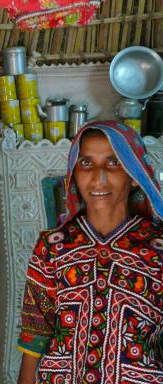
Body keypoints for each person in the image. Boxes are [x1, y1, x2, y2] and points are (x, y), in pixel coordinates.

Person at [17, 121, 163, 383]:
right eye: (86, 163)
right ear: (73, 173)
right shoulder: (52, 246)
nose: (98, 177)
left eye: (113, 163)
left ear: (134, 174)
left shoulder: (157, 249)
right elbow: (35, 332)